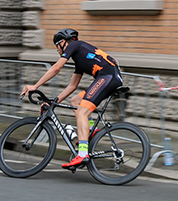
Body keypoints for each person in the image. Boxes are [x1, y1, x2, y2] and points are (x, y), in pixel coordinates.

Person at [21, 28, 122, 168]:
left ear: (63, 42)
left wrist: (35, 86)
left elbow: (57, 67)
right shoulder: (79, 57)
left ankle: (82, 154)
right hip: (108, 78)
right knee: (75, 101)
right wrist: (54, 102)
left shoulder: (74, 45)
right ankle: (92, 131)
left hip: (108, 77)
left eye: (56, 45)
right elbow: (72, 86)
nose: (57, 50)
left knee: (81, 112)